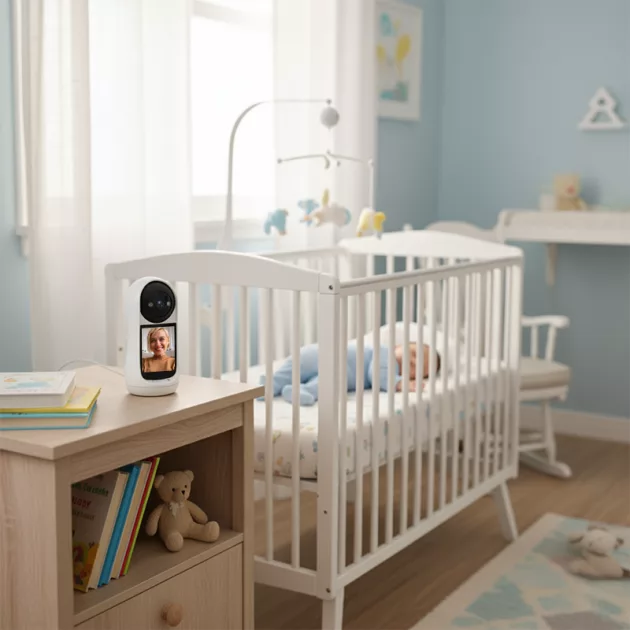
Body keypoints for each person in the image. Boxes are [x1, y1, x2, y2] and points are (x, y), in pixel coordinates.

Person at [261, 341, 440, 406]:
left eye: (419, 368)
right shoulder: (385, 353)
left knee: (298, 370)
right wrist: (399, 384)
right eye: (414, 353)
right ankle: (294, 388)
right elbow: (376, 375)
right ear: (398, 346)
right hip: (332, 358)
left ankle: (272, 385)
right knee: (333, 380)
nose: (413, 362)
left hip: (319, 354)